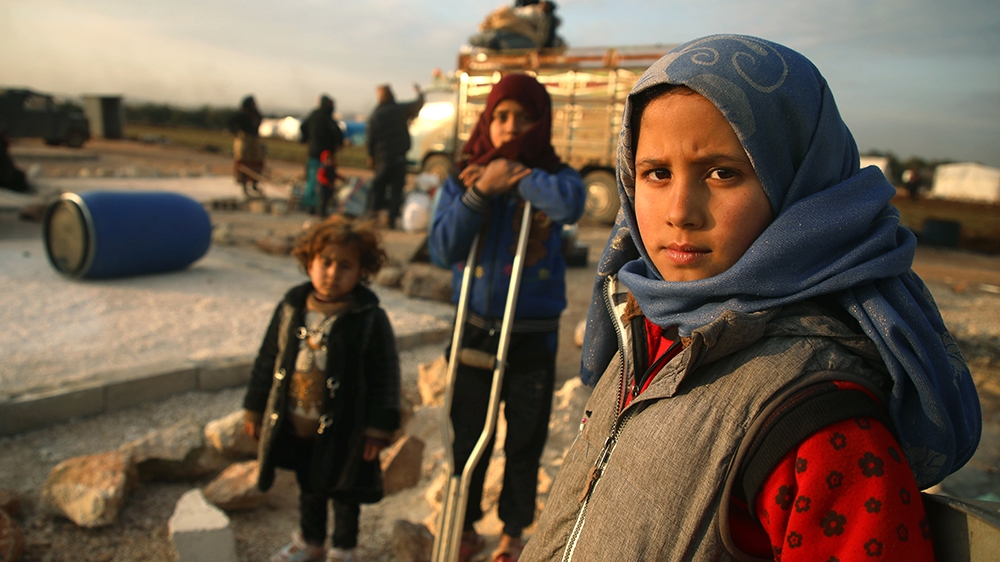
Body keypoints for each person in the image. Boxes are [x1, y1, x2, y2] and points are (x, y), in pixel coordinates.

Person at [520, 35, 982, 561]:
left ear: (799, 185)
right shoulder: (651, 330)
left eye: (722, 173)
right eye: (657, 173)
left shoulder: (818, 417)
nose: (680, 211)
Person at [428, 73, 585, 562]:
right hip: (474, 323)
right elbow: (441, 248)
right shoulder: (463, 178)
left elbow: (570, 203)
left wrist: (513, 176)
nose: (510, 126)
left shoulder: (553, 175)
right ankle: (466, 523)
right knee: (469, 429)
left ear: (540, 124)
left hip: (531, 329)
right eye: (501, 117)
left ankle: (514, 531)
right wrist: (482, 191)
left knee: (525, 434)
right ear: (487, 120)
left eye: (523, 117)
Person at [242, 216, 401, 562]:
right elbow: (267, 359)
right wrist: (255, 408)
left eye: (345, 266)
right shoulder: (291, 308)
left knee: (345, 489)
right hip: (299, 424)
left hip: (348, 429)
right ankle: (311, 541)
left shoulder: (370, 318)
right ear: (309, 262)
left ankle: (344, 548)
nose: (332, 273)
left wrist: (378, 429)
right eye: (325, 263)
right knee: (309, 486)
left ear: (362, 270)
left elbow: (386, 375)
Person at [366, 83, 424, 228]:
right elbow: (418, 104)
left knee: (378, 187)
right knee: (396, 191)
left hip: (383, 159)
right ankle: (391, 219)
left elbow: (370, 138)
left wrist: (371, 156)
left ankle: (374, 216)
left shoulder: (376, 114)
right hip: (400, 158)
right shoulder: (400, 110)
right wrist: (419, 93)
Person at [301, 95, 345, 214]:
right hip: (324, 157)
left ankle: (309, 204)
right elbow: (337, 132)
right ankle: (319, 207)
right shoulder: (327, 118)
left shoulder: (313, 115)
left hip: (312, 153)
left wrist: (305, 138)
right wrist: (338, 143)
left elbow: (302, 127)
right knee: (322, 182)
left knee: (311, 180)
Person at [228, 95, 265, 198]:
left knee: (257, 162)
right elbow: (231, 122)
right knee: (244, 163)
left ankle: (254, 183)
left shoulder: (255, 115)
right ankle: (244, 186)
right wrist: (236, 131)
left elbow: (261, 119)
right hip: (245, 141)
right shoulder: (242, 115)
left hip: (254, 140)